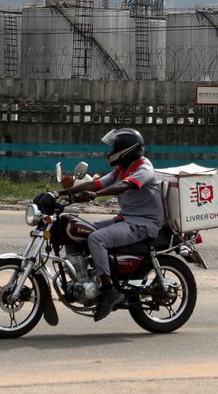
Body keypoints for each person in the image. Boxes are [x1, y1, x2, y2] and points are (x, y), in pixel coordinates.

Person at [60, 128, 164, 321]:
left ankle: (109, 290)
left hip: (143, 223)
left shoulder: (144, 168)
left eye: (114, 148)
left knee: (96, 238)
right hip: (126, 219)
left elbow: (125, 185)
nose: (110, 152)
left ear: (126, 150)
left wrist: (96, 195)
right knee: (76, 231)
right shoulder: (121, 170)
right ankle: (83, 281)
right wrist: (62, 194)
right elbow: (96, 184)